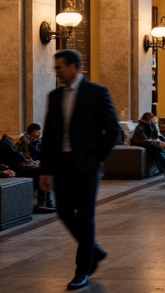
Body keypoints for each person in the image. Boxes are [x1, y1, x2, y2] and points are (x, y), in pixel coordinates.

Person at [39, 48, 121, 290]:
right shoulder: (54, 96)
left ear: (75, 67)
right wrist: (45, 169)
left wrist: (97, 159)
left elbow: (113, 130)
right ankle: (93, 249)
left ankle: (82, 270)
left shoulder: (96, 93)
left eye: (59, 67)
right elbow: (50, 135)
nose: (57, 72)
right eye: (55, 68)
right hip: (62, 165)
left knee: (85, 218)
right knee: (63, 211)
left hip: (87, 166)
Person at [131, 111, 165, 186]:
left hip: (152, 142)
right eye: (151, 117)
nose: (153, 119)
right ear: (147, 118)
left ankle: (164, 168)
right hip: (143, 143)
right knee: (157, 149)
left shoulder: (151, 124)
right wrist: (158, 143)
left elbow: (158, 134)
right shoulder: (141, 126)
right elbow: (143, 140)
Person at [19, 122, 54, 210]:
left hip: (34, 165)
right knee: (41, 172)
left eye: (39, 131)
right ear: (31, 132)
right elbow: (23, 155)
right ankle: (42, 202)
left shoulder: (38, 142)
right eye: (37, 131)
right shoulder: (24, 141)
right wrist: (34, 162)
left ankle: (47, 200)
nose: (39, 133)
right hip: (24, 166)